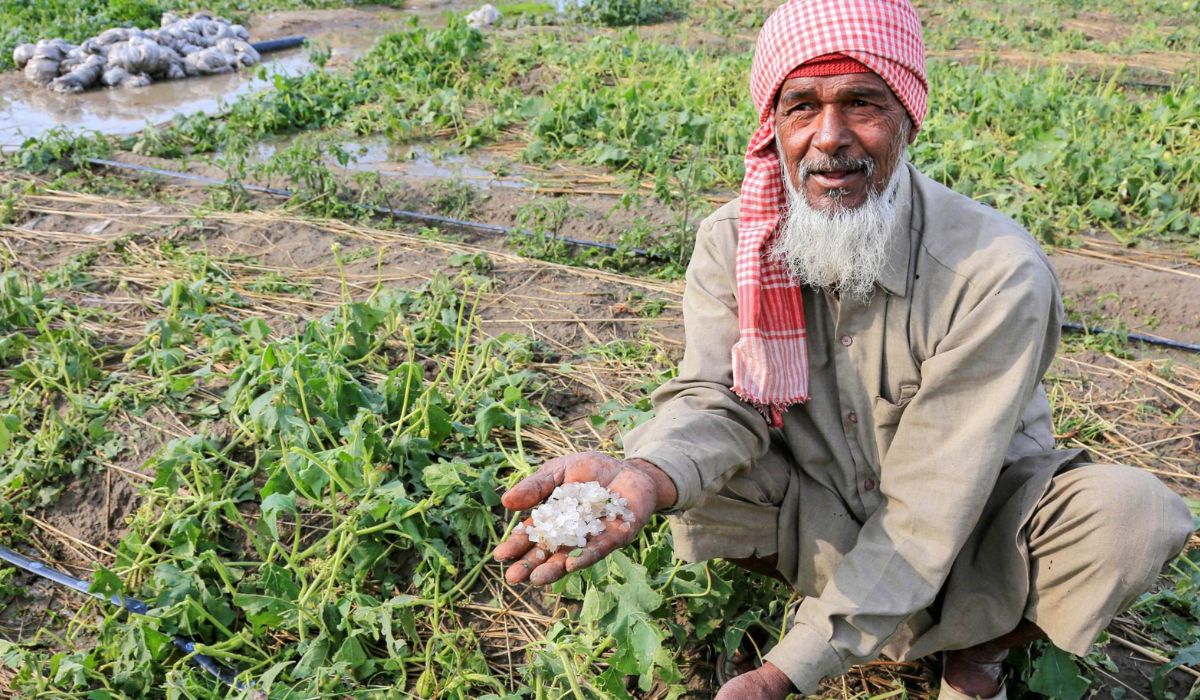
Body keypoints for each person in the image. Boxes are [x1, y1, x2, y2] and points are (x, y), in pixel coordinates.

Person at [492, 1, 1195, 698]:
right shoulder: (735, 240)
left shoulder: (994, 270)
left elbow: (932, 503)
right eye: (802, 107)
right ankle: (861, 614)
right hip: (822, 504)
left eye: (862, 103)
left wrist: (779, 676)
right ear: (775, 126)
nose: (830, 137)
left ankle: (975, 650)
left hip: (977, 518)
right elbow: (716, 398)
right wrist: (647, 472)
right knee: (690, 478)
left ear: (907, 117)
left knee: (1129, 520)